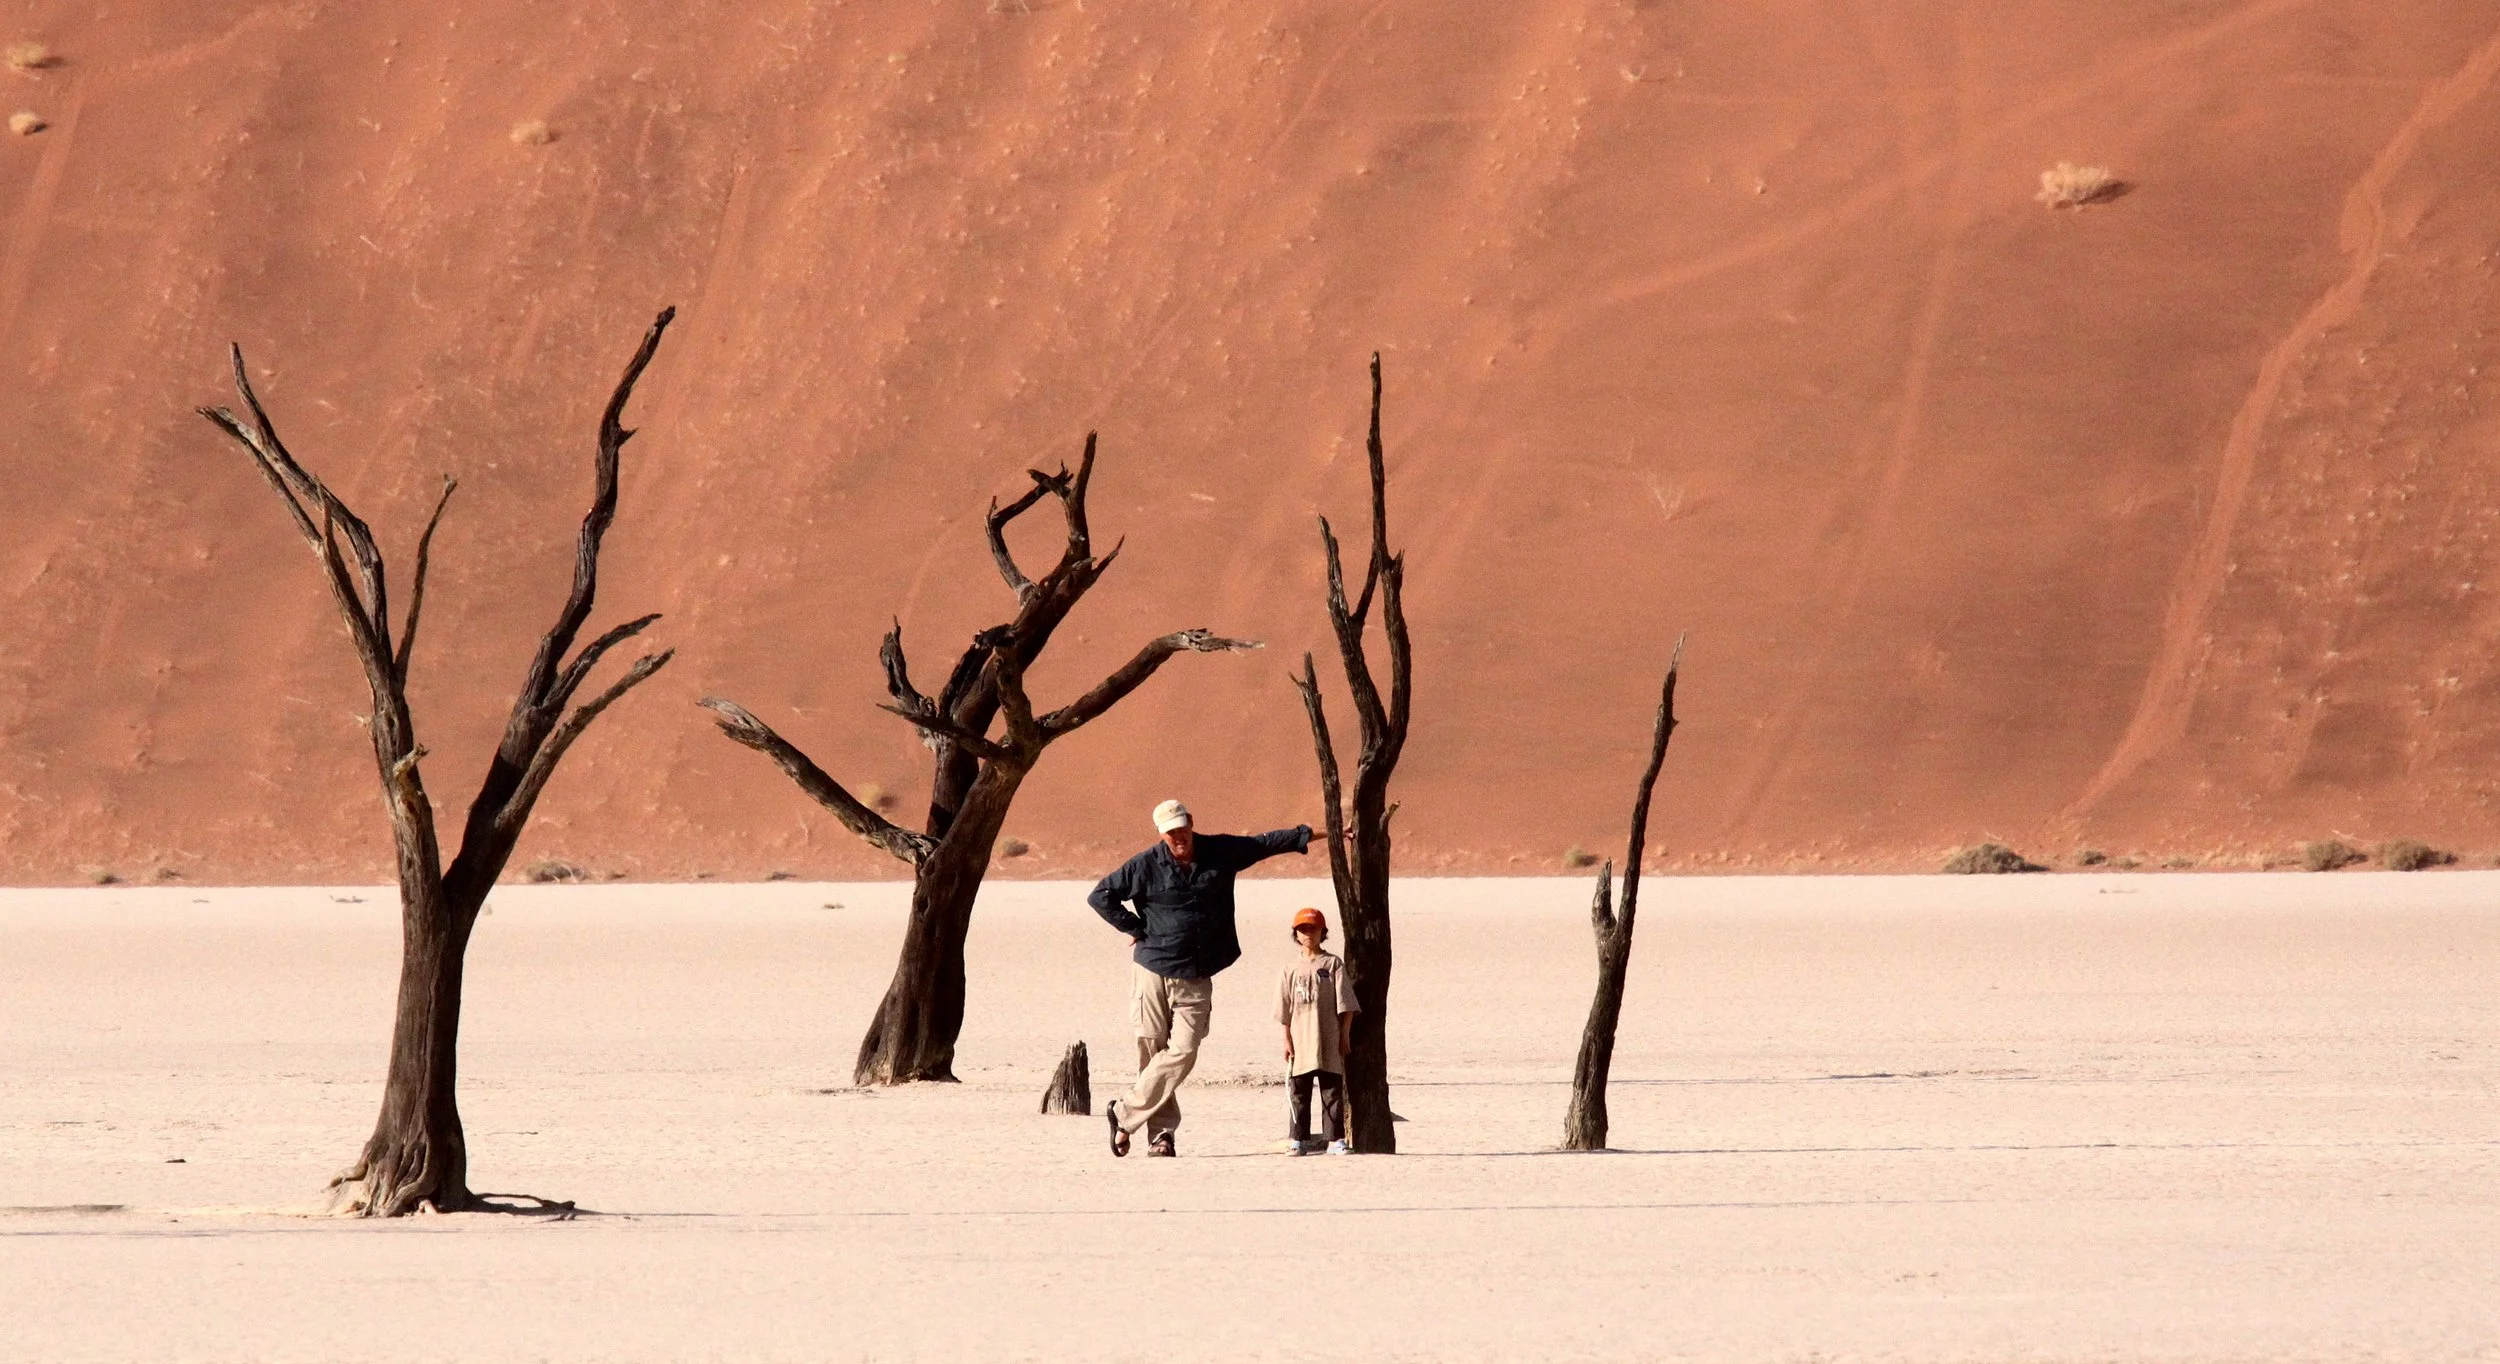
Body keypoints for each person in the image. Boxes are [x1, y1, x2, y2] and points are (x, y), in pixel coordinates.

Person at [1090, 799, 1312, 1157]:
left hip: (1195, 972)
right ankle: (1161, 1136)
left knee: (1184, 1050)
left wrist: (1318, 834)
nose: (1179, 836)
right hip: (1151, 969)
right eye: (1170, 832)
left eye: (1182, 828)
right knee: (1152, 1051)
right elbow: (1101, 895)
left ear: (1191, 822)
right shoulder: (1145, 865)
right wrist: (1133, 926)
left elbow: (1265, 843)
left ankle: (1123, 1112)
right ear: (1161, 833)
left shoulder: (1220, 851)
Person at [1277, 906, 1358, 1155]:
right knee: (1299, 1092)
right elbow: (1283, 1009)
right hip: (1300, 1040)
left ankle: (1335, 1140)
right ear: (1296, 934)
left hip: (1329, 1037)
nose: (1308, 933)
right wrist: (1286, 1040)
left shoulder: (1333, 964)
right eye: (1303, 929)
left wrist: (1344, 1035)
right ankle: (1297, 1139)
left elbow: (1347, 1005)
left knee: (1331, 1091)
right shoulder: (1289, 969)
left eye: (1313, 928)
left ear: (1323, 932)